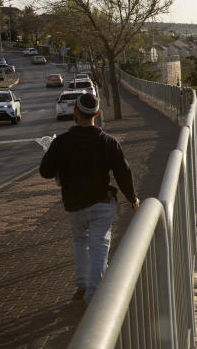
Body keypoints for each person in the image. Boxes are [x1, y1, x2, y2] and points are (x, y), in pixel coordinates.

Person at [40, 92, 139, 303]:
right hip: (101, 203)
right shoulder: (108, 142)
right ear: (98, 113)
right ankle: (94, 296)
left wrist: (52, 153)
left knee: (80, 242)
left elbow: (45, 171)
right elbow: (123, 172)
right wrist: (132, 199)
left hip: (74, 204)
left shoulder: (62, 143)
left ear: (75, 112)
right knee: (99, 245)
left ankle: (83, 285)